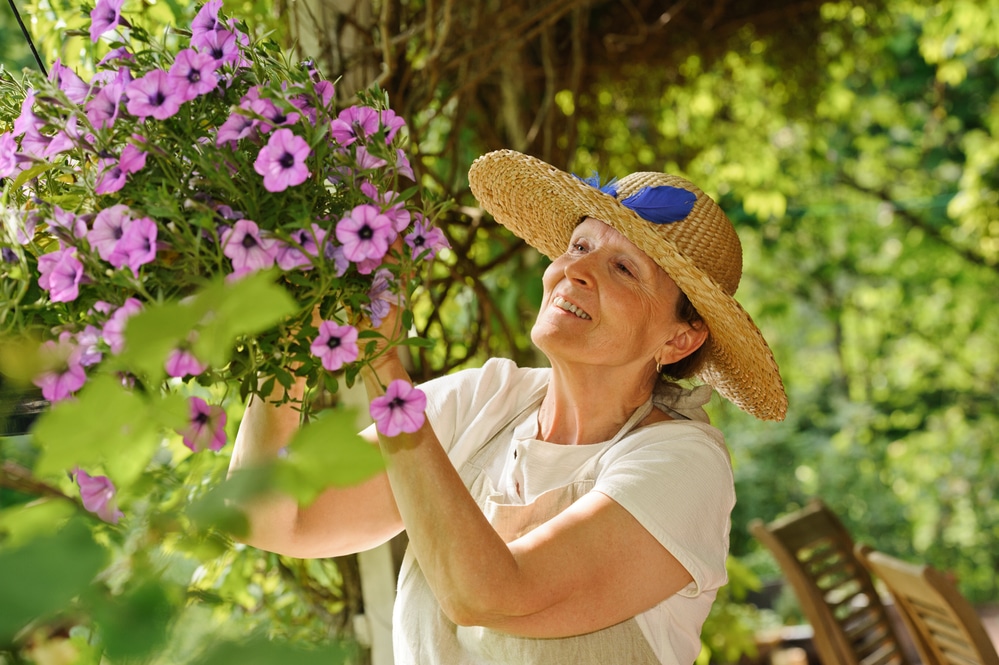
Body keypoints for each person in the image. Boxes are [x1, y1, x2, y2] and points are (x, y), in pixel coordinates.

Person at [229, 149, 788, 664]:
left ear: (679, 340)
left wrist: (386, 371)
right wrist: (289, 337)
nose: (576, 270)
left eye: (624, 269)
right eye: (580, 245)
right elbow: (271, 517)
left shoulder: (683, 464)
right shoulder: (481, 402)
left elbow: (490, 595)